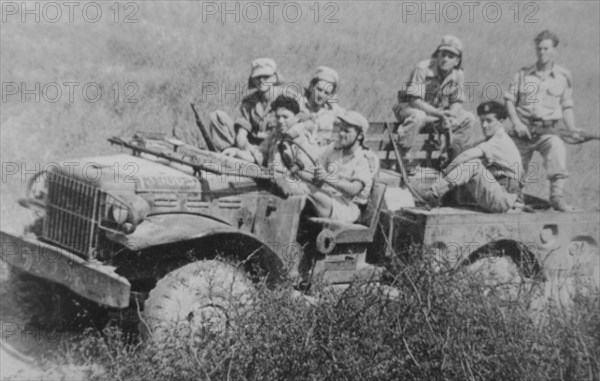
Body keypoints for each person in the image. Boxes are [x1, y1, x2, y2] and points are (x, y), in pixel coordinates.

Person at [504, 30, 580, 211]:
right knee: (513, 168)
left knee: (558, 152)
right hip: (523, 130)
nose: (542, 52)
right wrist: (517, 123)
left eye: (546, 49)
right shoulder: (523, 74)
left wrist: (572, 128)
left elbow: (567, 106)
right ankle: (514, 200)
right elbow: (509, 100)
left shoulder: (563, 77)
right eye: (539, 49)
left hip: (548, 131)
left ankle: (556, 198)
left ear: (555, 50)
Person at [412, 101, 524, 213]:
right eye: (482, 121)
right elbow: (462, 153)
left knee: (473, 165)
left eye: (489, 121)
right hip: (499, 194)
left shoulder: (499, 140)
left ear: (500, 122)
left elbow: (466, 155)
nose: (484, 125)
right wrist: (448, 132)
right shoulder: (491, 140)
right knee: (464, 167)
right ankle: (443, 197)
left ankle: (434, 193)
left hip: (503, 199)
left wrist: (445, 173)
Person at [392, 35, 478, 162]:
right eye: (442, 54)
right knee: (418, 115)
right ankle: (402, 156)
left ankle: (454, 156)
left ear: (457, 60)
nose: (445, 59)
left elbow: (457, 100)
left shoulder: (458, 74)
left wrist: (451, 115)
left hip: (437, 114)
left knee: (468, 118)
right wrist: (437, 113)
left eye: (451, 56)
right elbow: (414, 100)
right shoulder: (423, 68)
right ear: (437, 55)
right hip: (409, 109)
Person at [293, 111, 375, 223]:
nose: (341, 133)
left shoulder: (365, 158)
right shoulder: (333, 149)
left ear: (359, 135)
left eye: (346, 131)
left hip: (348, 208)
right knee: (293, 184)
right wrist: (296, 171)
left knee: (304, 189)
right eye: (341, 129)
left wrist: (327, 178)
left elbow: (354, 189)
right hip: (328, 198)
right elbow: (316, 176)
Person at [211, 58, 285, 156]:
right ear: (252, 80)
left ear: (274, 78)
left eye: (266, 77)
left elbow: (302, 120)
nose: (261, 80)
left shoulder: (287, 97)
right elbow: (245, 120)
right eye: (257, 77)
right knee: (217, 116)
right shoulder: (250, 99)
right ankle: (229, 153)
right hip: (252, 144)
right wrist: (242, 133)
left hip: (274, 147)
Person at [292, 66, 345, 147]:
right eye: (319, 90)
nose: (321, 95)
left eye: (326, 93)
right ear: (311, 87)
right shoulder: (297, 104)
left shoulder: (331, 113)